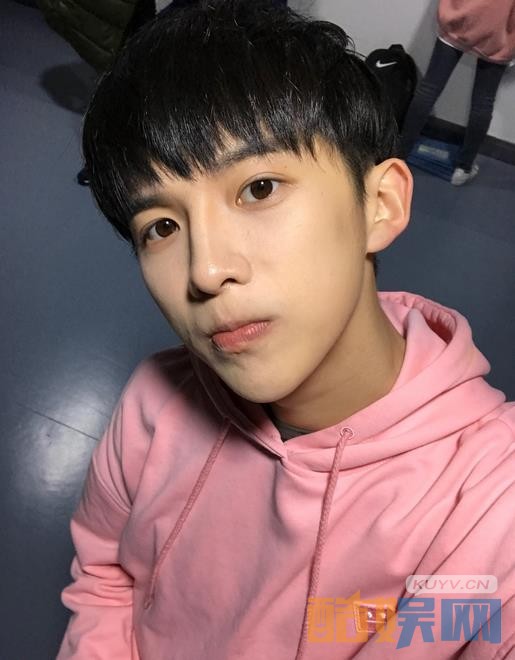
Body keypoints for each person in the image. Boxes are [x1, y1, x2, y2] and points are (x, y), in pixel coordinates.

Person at [56, 1, 515, 658]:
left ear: (380, 204)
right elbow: (105, 576)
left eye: (259, 188)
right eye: (162, 226)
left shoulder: (488, 506)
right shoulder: (152, 404)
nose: (206, 270)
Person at [400, 0, 515, 186]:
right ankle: (464, 168)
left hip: (459, 14)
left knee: (429, 88)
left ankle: (400, 154)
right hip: (500, 29)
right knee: (483, 101)